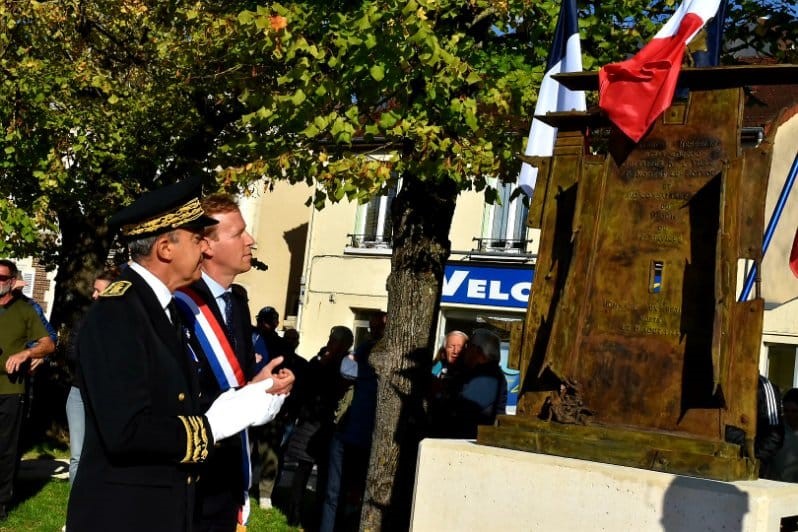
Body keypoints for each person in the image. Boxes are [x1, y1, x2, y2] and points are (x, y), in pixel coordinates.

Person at [66, 177, 292, 532]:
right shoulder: (119, 313)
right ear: (165, 248)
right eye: (196, 238)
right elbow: (126, 431)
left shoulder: (160, 309)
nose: (204, 249)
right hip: (125, 514)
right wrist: (212, 426)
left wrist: (246, 395)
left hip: (162, 507)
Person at [173, 192, 290, 531]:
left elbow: (233, 377)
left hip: (229, 460)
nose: (250, 241)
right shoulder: (180, 303)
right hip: (190, 461)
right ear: (206, 246)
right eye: (238, 233)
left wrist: (260, 385)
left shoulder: (237, 300)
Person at [275, 325, 354, 529]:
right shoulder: (320, 360)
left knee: (326, 475)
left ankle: (318, 516)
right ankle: (295, 514)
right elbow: (306, 384)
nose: (331, 343)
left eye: (335, 340)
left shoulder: (347, 364)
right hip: (312, 421)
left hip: (329, 424)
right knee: (303, 470)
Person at [0, 259, 57, 521]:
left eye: (2, 277)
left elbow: (48, 343)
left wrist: (26, 353)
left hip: (10, 389)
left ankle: (1, 501)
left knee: (5, 447)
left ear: (12, 280)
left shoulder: (25, 310)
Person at [319, 311, 386, 532]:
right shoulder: (366, 349)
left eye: (380, 328)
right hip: (348, 430)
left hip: (370, 437)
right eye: (372, 328)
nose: (375, 332)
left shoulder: (385, 353)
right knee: (335, 491)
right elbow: (346, 370)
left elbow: (349, 369)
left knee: (356, 494)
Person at [65, 265, 121, 486]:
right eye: (94, 290)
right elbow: (73, 352)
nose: (94, 295)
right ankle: (75, 510)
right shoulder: (86, 320)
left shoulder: (126, 324)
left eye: (99, 290)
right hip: (80, 393)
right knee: (78, 454)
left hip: (109, 397)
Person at [772, 388, 798, 482]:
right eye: (786, 411)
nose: (790, 415)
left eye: (794, 411)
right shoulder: (776, 428)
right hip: (775, 487)